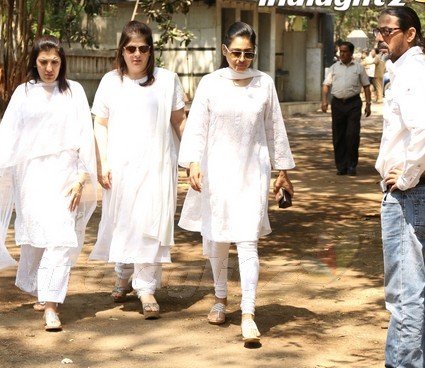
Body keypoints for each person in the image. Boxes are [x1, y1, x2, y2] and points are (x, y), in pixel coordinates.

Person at [0, 35, 97, 331]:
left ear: (62, 62)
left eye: (55, 62)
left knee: (61, 238)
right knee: (38, 238)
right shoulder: (23, 93)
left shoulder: (74, 91)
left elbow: (85, 136)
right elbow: (7, 137)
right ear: (34, 63)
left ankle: (51, 306)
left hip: (65, 175)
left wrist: (81, 178)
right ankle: (42, 287)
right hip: (31, 177)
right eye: (43, 62)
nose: (49, 68)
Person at [178, 21, 295, 344]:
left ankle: (248, 312)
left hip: (252, 171)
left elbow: (275, 128)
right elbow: (197, 127)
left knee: (247, 240)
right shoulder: (210, 84)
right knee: (217, 238)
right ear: (224, 51)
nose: (241, 60)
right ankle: (219, 298)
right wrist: (193, 163)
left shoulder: (264, 83)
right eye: (236, 53)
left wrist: (283, 170)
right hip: (216, 172)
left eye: (248, 54)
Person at [89, 20, 186, 320]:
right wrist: (102, 162)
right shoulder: (109, 82)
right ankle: (122, 273)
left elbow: (180, 122)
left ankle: (145, 287)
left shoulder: (167, 81)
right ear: (122, 50)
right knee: (124, 222)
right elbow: (99, 125)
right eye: (131, 48)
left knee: (150, 224)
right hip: (120, 168)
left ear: (151, 51)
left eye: (144, 48)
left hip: (157, 167)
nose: (137, 54)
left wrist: (196, 159)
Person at [374, 6, 425, 368]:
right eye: (379, 30)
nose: (380, 37)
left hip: (410, 194)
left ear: (410, 34)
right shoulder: (424, 69)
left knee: (404, 295)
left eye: (388, 31)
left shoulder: (409, 73)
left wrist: (405, 177)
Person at [321, 41, 372, 176]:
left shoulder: (358, 68)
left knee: (352, 135)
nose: (342, 54)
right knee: (338, 135)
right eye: (340, 51)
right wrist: (324, 101)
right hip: (338, 104)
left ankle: (351, 165)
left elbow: (366, 86)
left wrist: (368, 103)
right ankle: (341, 166)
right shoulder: (334, 67)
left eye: (345, 51)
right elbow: (326, 84)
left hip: (353, 104)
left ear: (351, 53)